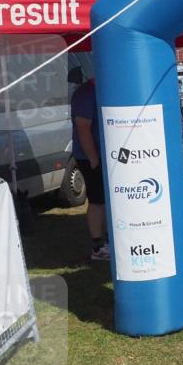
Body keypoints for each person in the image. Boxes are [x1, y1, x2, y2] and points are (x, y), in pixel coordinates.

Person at [70, 77, 109, 261]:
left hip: (106, 155)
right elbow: (83, 128)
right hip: (91, 157)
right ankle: (98, 247)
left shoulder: (102, 89)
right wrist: (93, 159)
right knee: (97, 200)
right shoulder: (85, 94)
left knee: (107, 200)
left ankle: (110, 242)